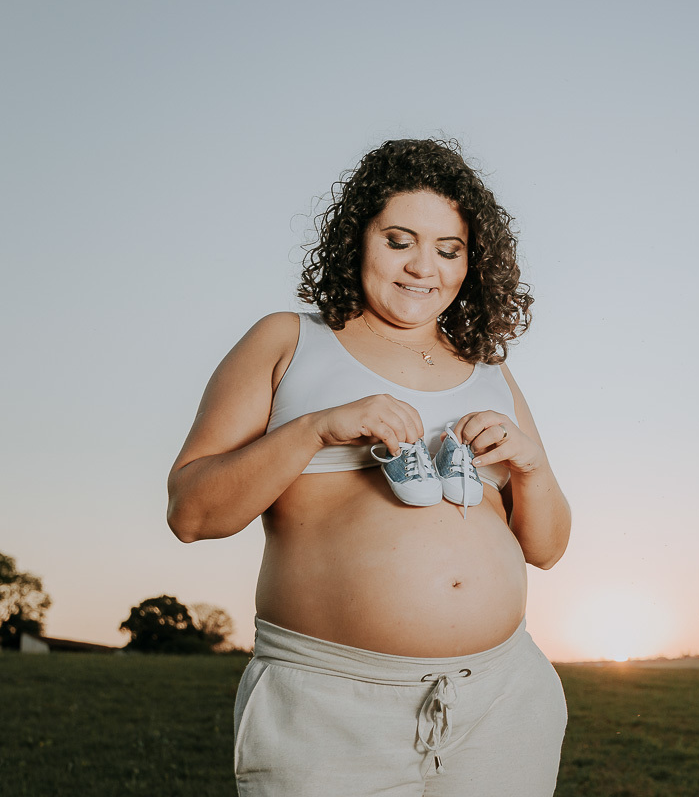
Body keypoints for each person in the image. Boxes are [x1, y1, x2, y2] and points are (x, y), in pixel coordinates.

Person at [167, 139, 570, 797]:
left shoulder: (491, 372)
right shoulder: (290, 341)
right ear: (357, 238)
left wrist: (532, 467)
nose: (423, 267)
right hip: (330, 709)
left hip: (503, 700)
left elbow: (546, 549)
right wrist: (316, 428)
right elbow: (192, 513)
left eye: (449, 249)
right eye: (399, 240)